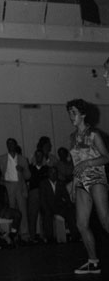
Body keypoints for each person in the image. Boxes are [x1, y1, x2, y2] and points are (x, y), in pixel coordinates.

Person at [66, 98, 109, 275]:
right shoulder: (72, 137)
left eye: (74, 113)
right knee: (81, 224)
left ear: (83, 115)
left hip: (96, 179)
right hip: (81, 182)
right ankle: (93, 262)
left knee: (105, 221)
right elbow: (76, 164)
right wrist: (73, 185)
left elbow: (106, 157)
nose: (71, 116)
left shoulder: (94, 135)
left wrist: (88, 163)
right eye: (69, 113)